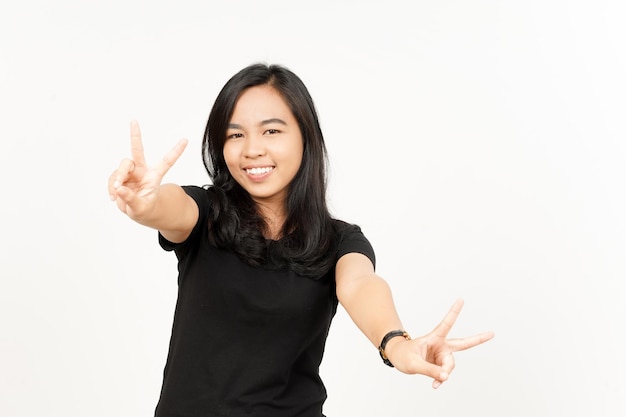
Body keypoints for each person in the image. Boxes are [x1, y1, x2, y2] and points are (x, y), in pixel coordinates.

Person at [108, 63, 494, 417]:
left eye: (271, 130)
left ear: (305, 137)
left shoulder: (339, 241)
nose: (252, 148)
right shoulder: (205, 213)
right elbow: (168, 207)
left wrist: (397, 344)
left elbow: (360, 285)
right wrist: (145, 203)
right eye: (235, 134)